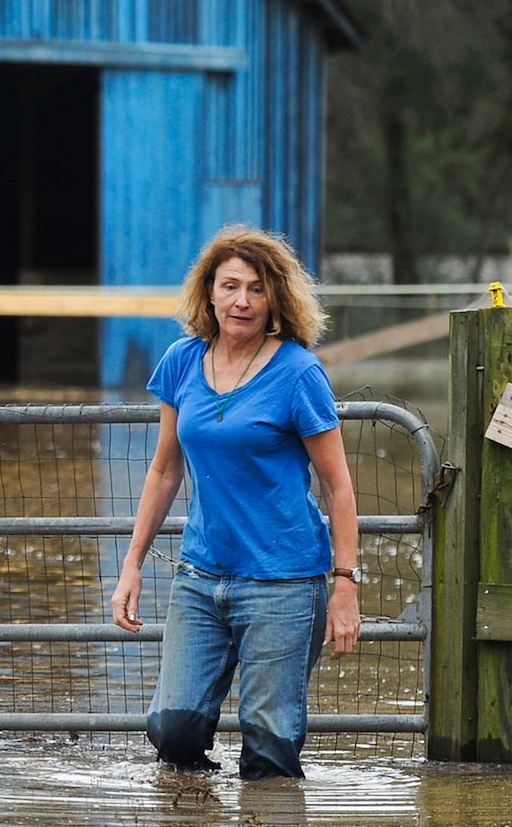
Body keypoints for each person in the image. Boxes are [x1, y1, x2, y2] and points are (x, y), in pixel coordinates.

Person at [110, 226, 361, 780]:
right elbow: (165, 468)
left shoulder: (299, 373)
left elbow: (339, 486)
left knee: (270, 751)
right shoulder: (181, 361)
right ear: (209, 293)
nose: (241, 301)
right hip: (201, 578)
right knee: (171, 729)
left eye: (255, 289)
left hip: (284, 582)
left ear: (276, 299)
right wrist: (131, 565)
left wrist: (345, 585)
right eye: (229, 286)